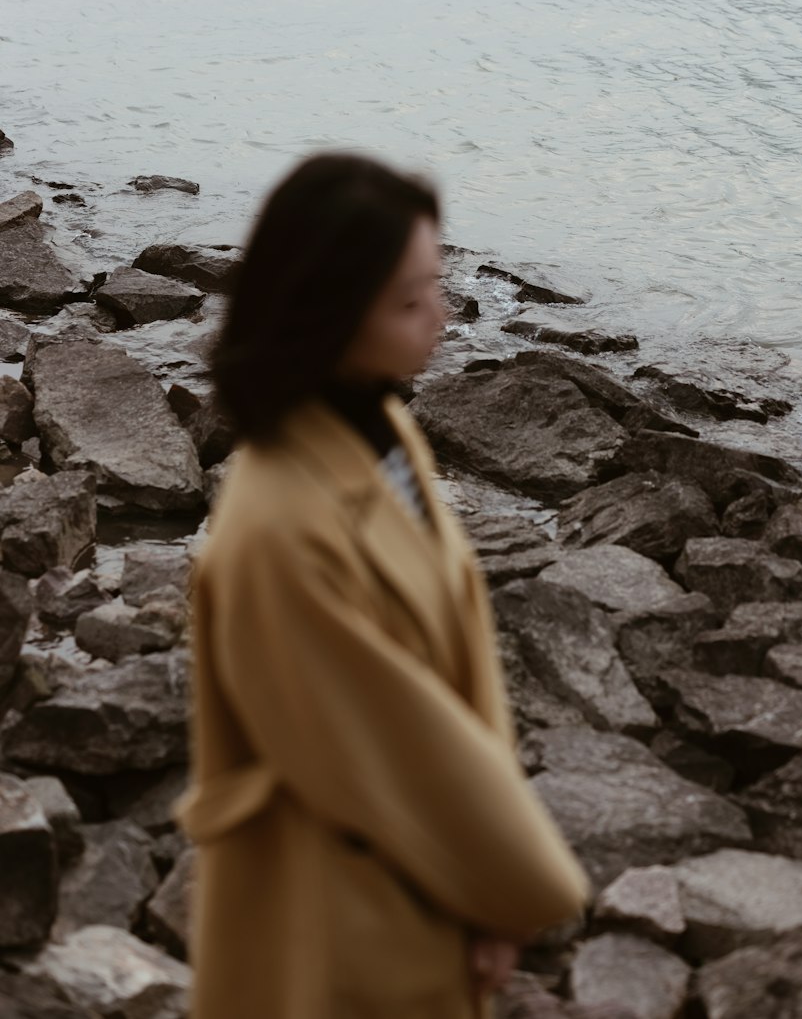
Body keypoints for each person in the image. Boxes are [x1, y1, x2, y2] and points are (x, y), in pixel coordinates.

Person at [176, 153, 590, 1019]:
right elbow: (387, 745)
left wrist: (481, 887)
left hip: (416, 868)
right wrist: (506, 885)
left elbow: (453, 661)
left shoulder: (382, 425)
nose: (441, 313)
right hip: (337, 909)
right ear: (328, 317)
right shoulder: (277, 526)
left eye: (436, 283)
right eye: (410, 300)